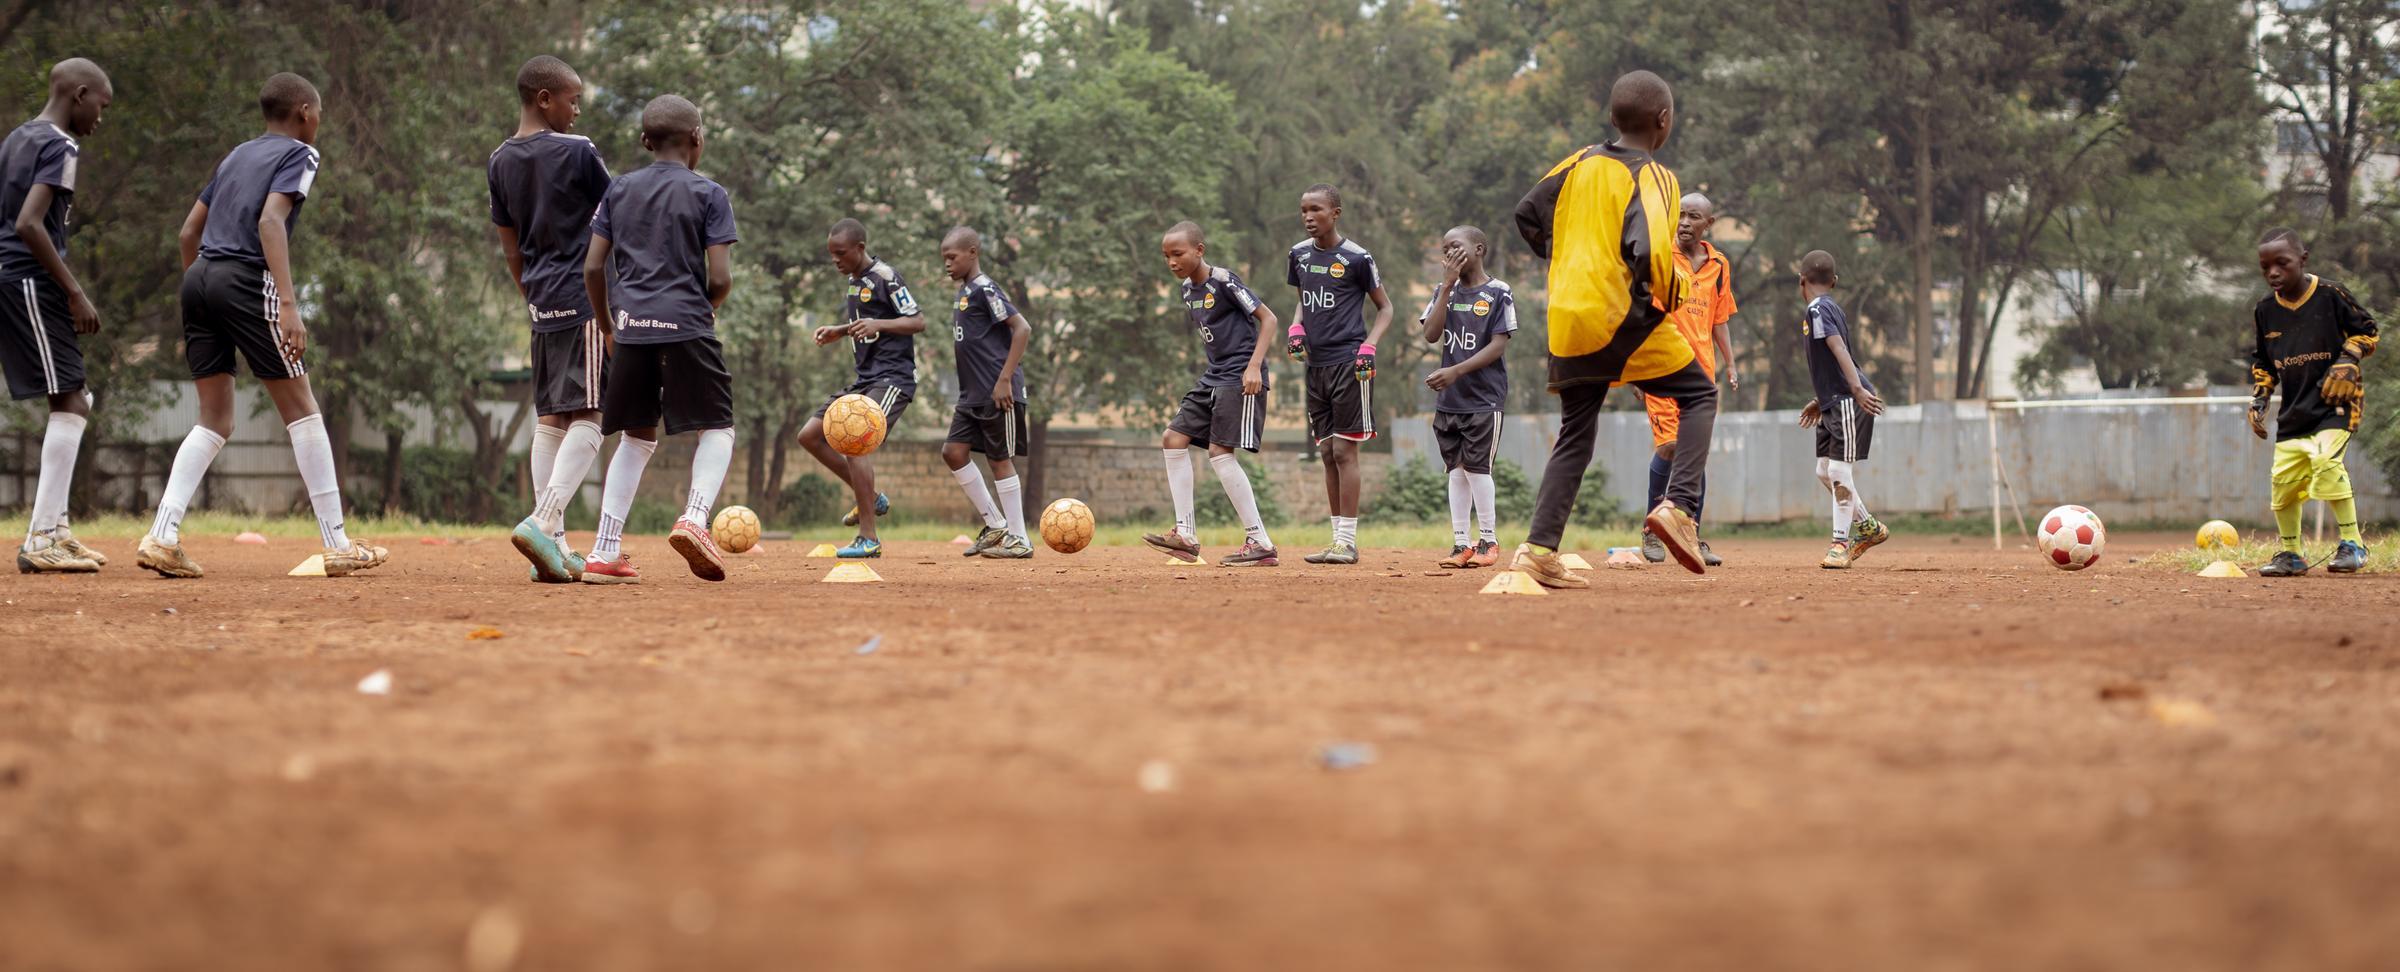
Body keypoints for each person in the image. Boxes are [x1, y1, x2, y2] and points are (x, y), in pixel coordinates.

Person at [137, 73, 388, 579]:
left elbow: (190, 231)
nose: (318, 123)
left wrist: (203, 295)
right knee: (303, 411)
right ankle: (338, 543)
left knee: (214, 420)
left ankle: (162, 535)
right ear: (303, 112)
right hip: (247, 280)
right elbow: (270, 223)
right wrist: (289, 306)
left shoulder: (236, 155)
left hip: (200, 278)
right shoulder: (300, 153)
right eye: (317, 113)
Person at [1508, 69, 1713, 587]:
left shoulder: (1578, 161)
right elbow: (1649, 252)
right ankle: (1681, 509)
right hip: (1619, 314)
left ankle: (1537, 549)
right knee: (1699, 394)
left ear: (1613, 118)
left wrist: (1570, 263)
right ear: (1664, 122)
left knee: (1577, 430)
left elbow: (1527, 214)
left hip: (1566, 317)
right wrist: (1671, 296)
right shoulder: (1657, 176)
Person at [577, 94, 739, 584]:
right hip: (688, 321)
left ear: (645, 141)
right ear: (697, 139)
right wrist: (704, 310)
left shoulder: (619, 190)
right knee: (718, 426)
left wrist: (608, 326)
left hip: (631, 329)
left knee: (636, 434)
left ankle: (604, 549)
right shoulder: (709, 193)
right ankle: (694, 517)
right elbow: (721, 277)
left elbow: (591, 267)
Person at [493, 55, 614, 583]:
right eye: (573, 99)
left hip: (540, 299)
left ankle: (556, 547)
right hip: (583, 296)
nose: (578, 110)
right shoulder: (577, 152)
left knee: (551, 419)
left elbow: (511, 250)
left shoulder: (499, 160)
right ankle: (544, 523)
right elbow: (619, 216)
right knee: (591, 414)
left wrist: (533, 296)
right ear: (545, 99)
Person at [2, 58, 110, 574]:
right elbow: (27, 223)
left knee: (74, 395)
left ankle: (57, 529)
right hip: (30, 278)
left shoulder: (16, 138)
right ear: (80, 94)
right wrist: (74, 291)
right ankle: (44, 537)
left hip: (14, 277)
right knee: (71, 395)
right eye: (101, 107)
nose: (100, 118)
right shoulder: (62, 145)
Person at [1142, 221, 1280, 567]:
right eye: (1166, 256)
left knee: (1220, 452)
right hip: (1214, 377)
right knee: (1173, 438)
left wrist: (1254, 367)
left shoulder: (1224, 281)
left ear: (1199, 250)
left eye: (1178, 254)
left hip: (1241, 374)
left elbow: (1269, 319)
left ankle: (1260, 541)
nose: (1172, 262)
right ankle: (1185, 534)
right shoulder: (1187, 290)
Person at [2247, 227, 2377, 576]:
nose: (2273, 272)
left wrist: (2348, 358)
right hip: (2295, 410)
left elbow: (2368, 329)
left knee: (2325, 460)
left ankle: (2353, 545)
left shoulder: (2331, 294)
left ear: (2302, 260)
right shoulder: (2265, 310)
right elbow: (2263, 362)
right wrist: (2260, 398)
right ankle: (2292, 554)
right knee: (2283, 482)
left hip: (2335, 405)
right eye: (2265, 266)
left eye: (2282, 263)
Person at [1284, 183, 1392, 565]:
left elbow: (1385, 309)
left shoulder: (1358, 258)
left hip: (1350, 363)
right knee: (1328, 451)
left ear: (1336, 213)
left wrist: (1369, 346)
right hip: (1316, 366)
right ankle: (1335, 541)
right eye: (1303, 210)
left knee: (1346, 450)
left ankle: (1348, 542)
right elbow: (1303, 304)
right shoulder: (1297, 255)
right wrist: (1296, 327)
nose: (1308, 217)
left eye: (1316, 209)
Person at [805, 217, 924, 559]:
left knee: (856, 440)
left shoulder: (886, 277)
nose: (836, 261)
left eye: (841, 253)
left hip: (892, 380)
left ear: (860, 248)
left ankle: (868, 537)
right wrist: (840, 330)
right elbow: (864, 322)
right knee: (810, 435)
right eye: (832, 255)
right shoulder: (855, 281)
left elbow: (917, 320)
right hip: (864, 380)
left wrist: (879, 323)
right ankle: (871, 499)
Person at [1639, 192, 1736, 567]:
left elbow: (1720, 318)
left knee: (1694, 453)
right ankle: (1651, 530)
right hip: (1662, 367)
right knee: (1671, 446)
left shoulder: (1720, 265)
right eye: (1679, 216)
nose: (1683, 223)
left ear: (1708, 224)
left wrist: (1731, 364)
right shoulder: (1660, 256)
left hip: (1701, 376)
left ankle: (1690, 531)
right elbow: (1642, 314)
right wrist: (1635, 370)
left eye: (1692, 217)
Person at [1417, 224, 1514, 569]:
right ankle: (1461, 544)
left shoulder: (1498, 292)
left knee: (1477, 468)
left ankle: (1488, 539)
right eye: (1445, 250)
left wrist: (1456, 371)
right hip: (1450, 399)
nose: (1450, 255)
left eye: (1456, 247)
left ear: (1479, 249)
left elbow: (1499, 343)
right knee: (1456, 471)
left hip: (1484, 398)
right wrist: (1445, 286)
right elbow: (1431, 334)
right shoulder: (1445, 290)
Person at [939, 226, 1035, 559]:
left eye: (952, 257)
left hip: (998, 392)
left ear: (973, 252)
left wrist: (1005, 379)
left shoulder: (985, 288)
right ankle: (995, 524)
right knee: (953, 452)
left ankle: (1019, 538)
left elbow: (1022, 328)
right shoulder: (964, 291)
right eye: (944, 259)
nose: (948, 264)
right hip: (971, 396)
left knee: (998, 460)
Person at [1795, 250, 1889, 569]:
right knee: (1824, 470)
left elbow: (1837, 348)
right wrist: (1820, 400)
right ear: (1834, 281)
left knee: (1837, 470)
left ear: (1801, 281)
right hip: (1834, 400)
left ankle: (1839, 544)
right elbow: (1829, 362)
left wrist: (1857, 389)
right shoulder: (1829, 305)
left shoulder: (1817, 308)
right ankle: (1869, 528)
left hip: (1848, 399)